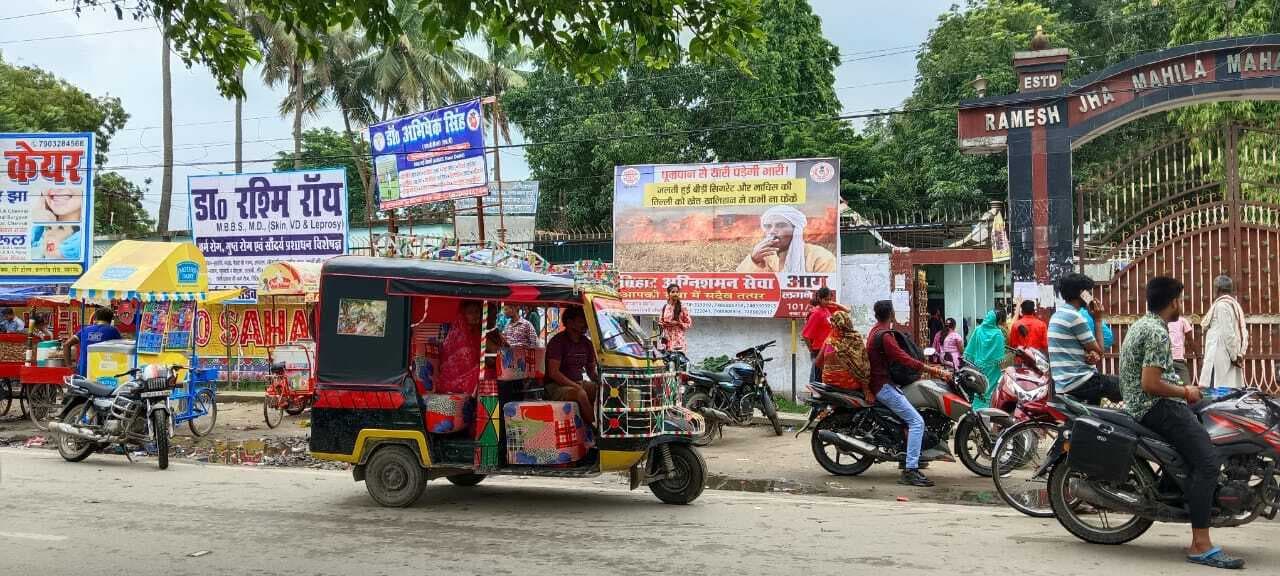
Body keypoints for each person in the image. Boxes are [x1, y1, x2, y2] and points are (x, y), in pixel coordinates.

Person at [1118, 276, 1242, 569]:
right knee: (1208, 461)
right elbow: (1151, 383)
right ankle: (1200, 543)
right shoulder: (1157, 332)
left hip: (1147, 403)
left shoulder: (1144, 324)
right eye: (1181, 300)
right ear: (1173, 302)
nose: (1182, 306)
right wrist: (1185, 391)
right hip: (1155, 406)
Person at [866, 300, 952, 487]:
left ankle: (908, 455)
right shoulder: (885, 336)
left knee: (913, 417)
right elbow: (903, 357)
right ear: (892, 314)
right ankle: (910, 470)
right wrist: (934, 370)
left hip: (882, 384)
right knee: (917, 422)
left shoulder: (874, 331)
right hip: (884, 387)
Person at [1048, 273, 1122, 404]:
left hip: (1064, 382)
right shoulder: (1075, 317)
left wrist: (1089, 354)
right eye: (1088, 292)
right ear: (1082, 293)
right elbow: (1100, 352)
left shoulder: (1057, 315)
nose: (1090, 296)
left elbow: (1085, 351)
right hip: (1081, 381)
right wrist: (1098, 319)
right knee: (1128, 387)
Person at [736, 205, 837, 274]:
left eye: (780, 225)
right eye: (768, 226)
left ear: (796, 230)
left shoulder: (820, 257)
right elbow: (740, 288)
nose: (772, 231)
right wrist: (754, 259)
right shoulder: (765, 258)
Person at [545, 306, 600, 427]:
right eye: (582, 321)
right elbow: (553, 373)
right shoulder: (557, 342)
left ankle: (606, 424)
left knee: (601, 390)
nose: (585, 324)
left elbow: (591, 372)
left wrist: (604, 383)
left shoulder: (587, 343)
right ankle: (595, 428)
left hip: (578, 382)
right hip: (555, 387)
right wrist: (575, 385)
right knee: (581, 393)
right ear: (569, 323)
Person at [436, 301, 501, 395]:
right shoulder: (457, 335)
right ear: (463, 315)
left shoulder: (477, 332)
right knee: (487, 375)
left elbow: (493, 349)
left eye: (477, 312)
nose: (475, 315)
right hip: (456, 381)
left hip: (472, 377)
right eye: (470, 313)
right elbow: (463, 364)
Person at [1200, 275, 1246, 389]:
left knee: (1217, 390)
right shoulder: (1234, 304)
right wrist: (1238, 354)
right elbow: (1242, 331)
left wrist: (1235, 357)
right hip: (1227, 355)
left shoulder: (1221, 306)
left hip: (1221, 355)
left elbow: (1228, 334)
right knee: (1226, 389)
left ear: (1218, 289)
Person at [801, 287, 847, 381]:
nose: (828, 301)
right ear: (820, 299)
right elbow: (805, 335)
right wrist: (812, 351)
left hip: (827, 349)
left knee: (824, 378)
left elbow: (847, 310)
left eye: (830, 299)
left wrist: (832, 302)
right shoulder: (816, 313)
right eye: (826, 299)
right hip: (818, 350)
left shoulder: (826, 309)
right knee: (817, 379)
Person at [964, 310, 1006, 410]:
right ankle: (988, 412)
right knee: (990, 391)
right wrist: (1003, 370)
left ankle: (976, 411)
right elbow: (1000, 356)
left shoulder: (978, 330)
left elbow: (970, 349)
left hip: (978, 367)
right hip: (993, 369)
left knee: (979, 389)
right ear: (997, 320)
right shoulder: (998, 333)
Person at [817, 311, 869, 390]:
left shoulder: (829, 340)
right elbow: (862, 365)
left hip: (828, 381)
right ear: (848, 322)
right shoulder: (855, 338)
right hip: (848, 383)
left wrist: (830, 373)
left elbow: (818, 362)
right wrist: (866, 390)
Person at [63, 308, 123, 376]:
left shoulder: (84, 330)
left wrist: (69, 365)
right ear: (111, 320)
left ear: (96, 318)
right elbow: (121, 349)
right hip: (103, 372)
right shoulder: (113, 331)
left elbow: (66, 345)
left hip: (83, 371)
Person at [658, 284, 692, 352]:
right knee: (667, 360)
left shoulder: (683, 307)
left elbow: (689, 323)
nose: (675, 294)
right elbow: (660, 322)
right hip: (667, 339)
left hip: (678, 340)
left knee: (678, 360)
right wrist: (664, 324)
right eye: (673, 292)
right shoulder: (665, 307)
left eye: (677, 292)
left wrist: (678, 323)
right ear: (668, 293)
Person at [1168, 314, 1195, 386]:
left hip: (1166, 360)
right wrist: (1197, 354)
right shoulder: (1183, 320)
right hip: (1178, 359)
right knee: (1186, 385)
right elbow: (1190, 339)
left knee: (1171, 383)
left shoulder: (1163, 321)